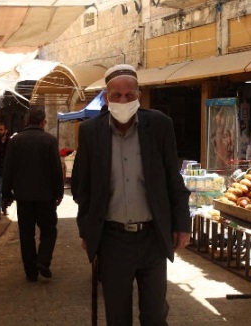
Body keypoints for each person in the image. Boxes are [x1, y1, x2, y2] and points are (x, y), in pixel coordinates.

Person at [71, 64, 191, 325]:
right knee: (117, 316)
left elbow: (173, 178)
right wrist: (86, 231)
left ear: (139, 95)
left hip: (152, 239)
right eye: (117, 95)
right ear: (106, 97)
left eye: (129, 95)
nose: (123, 100)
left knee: (154, 316)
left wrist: (182, 225)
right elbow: (83, 187)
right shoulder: (91, 132)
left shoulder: (159, 125)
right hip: (112, 240)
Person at [2, 107, 64, 282]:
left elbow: (8, 169)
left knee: (26, 233)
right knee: (49, 230)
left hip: (23, 196)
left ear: (28, 121)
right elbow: (56, 169)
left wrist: (6, 194)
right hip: (46, 196)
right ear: (42, 121)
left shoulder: (16, 141)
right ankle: (43, 260)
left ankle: (30, 271)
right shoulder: (49, 140)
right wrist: (58, 192)